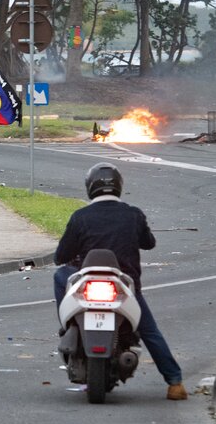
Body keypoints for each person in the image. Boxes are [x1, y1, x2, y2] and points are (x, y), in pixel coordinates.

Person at [52, 162, 188, 401]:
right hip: (125, 288)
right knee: (148, 331)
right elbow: (149, 243)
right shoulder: (132, 214)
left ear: (90, 188)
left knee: (60, 276)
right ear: (119, 187)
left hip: (87, 287)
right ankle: (175, 382)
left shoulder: (80, 217)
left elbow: (60, 257)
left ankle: (67, 324)